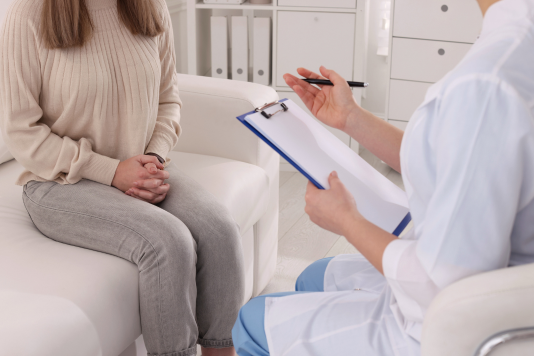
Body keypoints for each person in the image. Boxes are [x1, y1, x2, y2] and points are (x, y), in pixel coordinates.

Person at [232, 0, 534, 354]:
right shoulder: (509, 47)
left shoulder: (488, 81)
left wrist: (347, 220)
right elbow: (452, 159)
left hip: (451, 322)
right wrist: (351, 118)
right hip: (497, 279)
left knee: (253, 321)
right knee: (313, 276)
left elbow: (445, 285)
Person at [0, 0, 243, 355]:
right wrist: (112, 172)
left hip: (142, 164)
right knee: (170, 242)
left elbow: (168, 99)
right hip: (61, 181)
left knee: (220, 228)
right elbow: (21, 132)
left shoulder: (149, 6)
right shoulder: (29, 14)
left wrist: (154, 158)